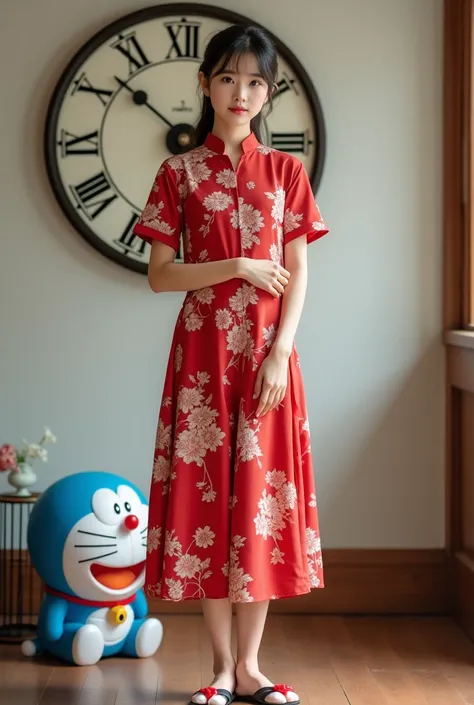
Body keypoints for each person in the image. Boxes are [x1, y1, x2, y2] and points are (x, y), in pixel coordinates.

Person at [133, 23, 328, 705]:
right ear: (205, 83)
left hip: (268, 356)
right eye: (227, 78)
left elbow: (300, 271)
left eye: (254, 82)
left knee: (261, 503)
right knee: (207, 498)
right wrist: (240, 264)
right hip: (201, 357)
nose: (240, 92)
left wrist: (280, 353)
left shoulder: (286, 172)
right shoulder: (177, 173)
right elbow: (160, 276)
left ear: (267, 93)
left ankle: (251, 667)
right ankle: (220, 668)